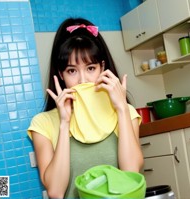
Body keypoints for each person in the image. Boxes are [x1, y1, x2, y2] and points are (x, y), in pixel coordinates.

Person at [27, 18, 144, 198]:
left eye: (90, 68)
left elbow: (132, 173)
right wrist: (64, 123)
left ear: (102, 68)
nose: (83, 80)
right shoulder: (43, 124)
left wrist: (121, 109)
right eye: (72, 71)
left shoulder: (125, 112)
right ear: (61, 74)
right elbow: (56, 193)